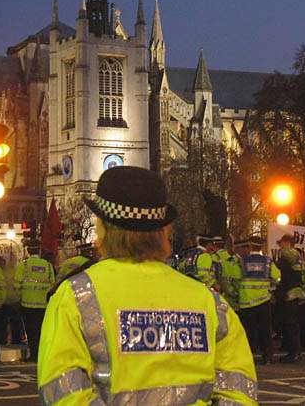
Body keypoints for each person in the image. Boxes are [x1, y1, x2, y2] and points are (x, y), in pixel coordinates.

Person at [38, 166, 257, 405]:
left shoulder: (76, 296)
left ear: (102, 226)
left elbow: (64, 395)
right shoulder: (209, 302)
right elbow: (239, 391)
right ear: (164, 230)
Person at [234, 235, 281, 365]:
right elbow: (277, 277)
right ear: (262, 247)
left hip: (246, 301)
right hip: (264, 300)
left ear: (249, 247)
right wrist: (271, 286)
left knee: (247, 330)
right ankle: (268, 357)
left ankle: (245, 356)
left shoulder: (242, 261)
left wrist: (237, 291)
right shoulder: (268, 261)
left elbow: (236, 279)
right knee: (265, 330)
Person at [14, 245, 55, 362]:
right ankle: (44, 355)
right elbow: (52, 285)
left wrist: (20, 296)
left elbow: (17, 285)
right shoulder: (48, 266)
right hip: (43, 305)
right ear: (40, 251)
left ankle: (34, 355)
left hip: (28, 304)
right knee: (43, 331)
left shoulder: (23, 265)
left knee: (31, 332)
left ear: (28, 251)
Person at [275, 234, 305, 362]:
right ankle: (296, 351)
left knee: (289, 324)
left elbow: (281, 274)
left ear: (287, 243)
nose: (280, 246)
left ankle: (293, 352)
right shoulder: (298, 259)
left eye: (281, 243)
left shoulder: (286, 256)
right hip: (296, 292)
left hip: (287, 293)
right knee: (293, 324)